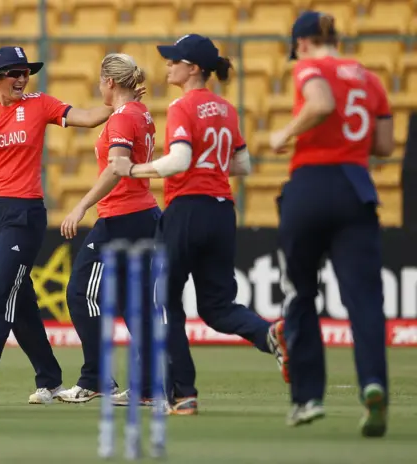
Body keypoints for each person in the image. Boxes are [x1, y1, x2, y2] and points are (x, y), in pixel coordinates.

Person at [0, 46, 145, 406]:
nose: (22, 79)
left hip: (25, 212)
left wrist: (122, 101)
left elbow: (85, 116)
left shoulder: (40, 104)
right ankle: (50, 379)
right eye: (13, 73)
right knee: (19, 300)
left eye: (25, 73)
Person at [109, 34, 287, 416]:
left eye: (175, 60)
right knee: (218, 305)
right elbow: (242, 165)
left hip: (187, 209)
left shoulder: (183, 105)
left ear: (193, 69)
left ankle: (184, 394)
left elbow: (179, 160)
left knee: (165, 300)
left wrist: (134, 169)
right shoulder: (226, 108)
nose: (168, 65)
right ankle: (269, 334)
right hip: (222, 211)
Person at [268, 12, 392, 435]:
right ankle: (373, 384)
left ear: (302, 43)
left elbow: (321, 103)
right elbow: (384, 144)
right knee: (365, 300)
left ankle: (307, 398)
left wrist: (284, 134)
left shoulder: (310, 67)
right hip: (357, 187)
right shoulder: (371, 79)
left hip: (311, 184)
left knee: (301, 292)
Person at [56, 53, 161, 404]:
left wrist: (82, 205)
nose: (99, 87)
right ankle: (148, 387)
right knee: (138, 304)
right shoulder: (140, 113)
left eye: (101, 81)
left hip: (121, 217)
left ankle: (97, 378)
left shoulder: (122, 119)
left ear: (110, 82)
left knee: (81, 292)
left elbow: (117, 167)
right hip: (143, 214)